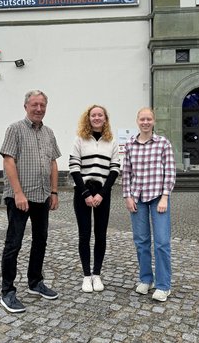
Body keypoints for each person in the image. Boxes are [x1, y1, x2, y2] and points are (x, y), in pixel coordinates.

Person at [0, 90, 61, 313]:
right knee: (13, 243)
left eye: (42, 105)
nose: (39, 109)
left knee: (40, 240)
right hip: (20, 198)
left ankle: (35, 282)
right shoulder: (15, 129)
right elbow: (8, 161)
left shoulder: (49, 133)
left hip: (42, 196)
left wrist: (54, 192)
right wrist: (18, 193)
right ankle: (8, 291)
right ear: (25, 106)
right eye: (34, 104)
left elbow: (53, 163)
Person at [122, 107, 176, 302]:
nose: (145, 122)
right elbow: (126, 173)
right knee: (141, 241)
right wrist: (127, 196)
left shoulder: (163, 144)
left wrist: (165, 197)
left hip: (157, 199)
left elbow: (169, 172)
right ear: (137, 121)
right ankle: (146, 279)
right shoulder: (130, 145)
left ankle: (163, 285)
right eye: (142, 119)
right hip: (137, 198)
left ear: (154, 121)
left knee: (162, 242)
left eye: (149, 119)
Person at [69, 105, 120, 293]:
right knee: (84, 235)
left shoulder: (111, 140)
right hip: (82, 191)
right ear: (88, 118)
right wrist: (85, 194)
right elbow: (74, 167)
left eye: (100, 115)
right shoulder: (80, 139)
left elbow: (114, 169)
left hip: (102, 192)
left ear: (105, 118)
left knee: (100, 234)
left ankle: (97, 274)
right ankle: (86, 276)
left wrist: (101, 194)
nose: (97, 118)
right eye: (93, 115)